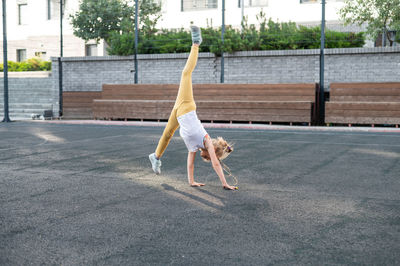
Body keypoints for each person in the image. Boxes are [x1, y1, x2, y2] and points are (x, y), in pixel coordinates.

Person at [149, 25, 237, 190]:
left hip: (179, 112)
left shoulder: (196, 145)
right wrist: (225, 184)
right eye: (212, 156)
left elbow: (192, 165)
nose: (208, 157)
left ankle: (156, 156)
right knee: (185, 74)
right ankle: (196, 43)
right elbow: (214, 165)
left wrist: (192, 182)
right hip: (186, 106)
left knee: (167, 133)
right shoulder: (203, 141)